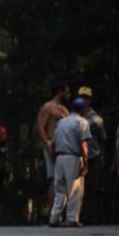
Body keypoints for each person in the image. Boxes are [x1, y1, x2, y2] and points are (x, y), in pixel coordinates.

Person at [49, 97, 92, 227]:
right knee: (75, 189)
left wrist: (54, 158)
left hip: (59, 157)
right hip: (73, 157)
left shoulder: (62, 122)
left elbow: (53, 143)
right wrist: (85, 163)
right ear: (83, 110)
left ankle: (54, 218)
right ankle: (72, 218)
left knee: (60, 190)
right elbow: (83, 144)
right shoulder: (82, 122)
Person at [37, 83, 71, 211]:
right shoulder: (48, 107)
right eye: (67, 92)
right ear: (60, 91)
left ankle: (61, 213)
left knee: (64, 179)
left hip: (65, 147)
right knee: (55, 179)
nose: (69, 95)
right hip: (52, 145)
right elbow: (40, 127)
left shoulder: (64, 109)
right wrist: (47, 144)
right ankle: (53, 213)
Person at [77, 86, 108, 224]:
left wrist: (102, 157)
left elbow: (103, 139)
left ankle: (92, 217)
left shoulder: (96, 119)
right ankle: (78, 216)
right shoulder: (73, 116)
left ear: (90, 99)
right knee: (77, 188)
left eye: (86, 97)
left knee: (93, 187)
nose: (84, 100)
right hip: (77, 157)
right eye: (81, 97)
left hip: (93, 156)